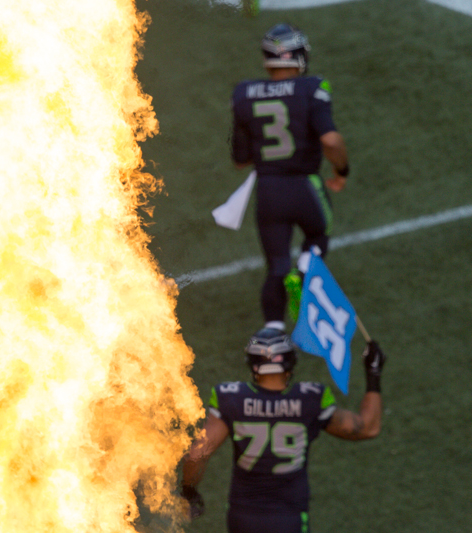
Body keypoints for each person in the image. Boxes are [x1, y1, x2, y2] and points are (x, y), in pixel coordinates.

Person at [180, 327, 384, 532]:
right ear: (290, 362)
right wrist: (373, 373)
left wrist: (189, 490)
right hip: (289, 517)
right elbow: (368, 428)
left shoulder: (231, 397)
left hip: (244, 516)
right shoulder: (310, 399)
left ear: (252, 363)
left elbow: (197, 455)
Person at [230, 23, 350, 330]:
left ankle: (274, 333)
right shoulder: (312, 87)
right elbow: (331, 141)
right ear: (296, 55)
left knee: (275, 267)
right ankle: (306, 267)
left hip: (268, 193)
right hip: (304, 186)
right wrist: (341, 171)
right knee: (317, 236)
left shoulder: (245, 94)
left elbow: (240, 161)